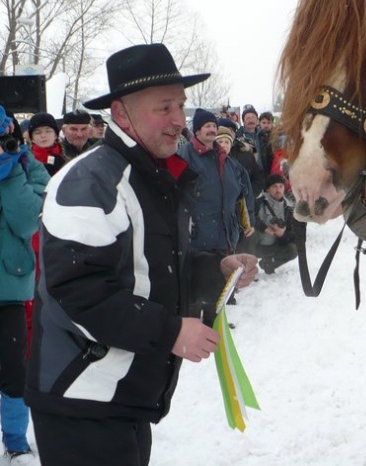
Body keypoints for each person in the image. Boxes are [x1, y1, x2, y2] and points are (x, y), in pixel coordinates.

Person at [25, 44, 259, 466]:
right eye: (164, 107)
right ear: (121, 113)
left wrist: (215, 269)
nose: (178, 120)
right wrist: (170, 332)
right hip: (82, 402)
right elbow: (80, 292)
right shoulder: (89, 181)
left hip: (124, 399)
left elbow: (157, 268)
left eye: (181, 106)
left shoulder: (153, 175)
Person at [0, 108, 49, 462]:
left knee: (15, 371)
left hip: (10, 291)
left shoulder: (27, 168)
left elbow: (28, 220)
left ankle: (16, 439)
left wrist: (11, 171)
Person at [179, 108, 255, 254]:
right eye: (207, 126)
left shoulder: (228, 162)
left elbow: (241, 195)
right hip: (198, 242)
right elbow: (174, 191)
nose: (212, 129)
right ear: (197, 131)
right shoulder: (185, 155)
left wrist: (246, 222)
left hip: (227, 238)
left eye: (214, 126)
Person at [255, 174, 297, 275]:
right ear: (268, 189)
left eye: (281, 186)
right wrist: (264, 227)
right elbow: (249, 220)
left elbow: (295, 236)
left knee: (293, 250)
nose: (278, 189)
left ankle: (269, 263)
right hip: (256, 245)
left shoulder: (289, 209)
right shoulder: (258, 203)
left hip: (274, 245)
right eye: (274, 186)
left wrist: (282, 234)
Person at [27, 113, 67, 177]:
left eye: (48, 131)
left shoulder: (67, 155)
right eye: (38, 133)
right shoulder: (26, 161)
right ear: (32, 138)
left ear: (56, 135)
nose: (43, 136)